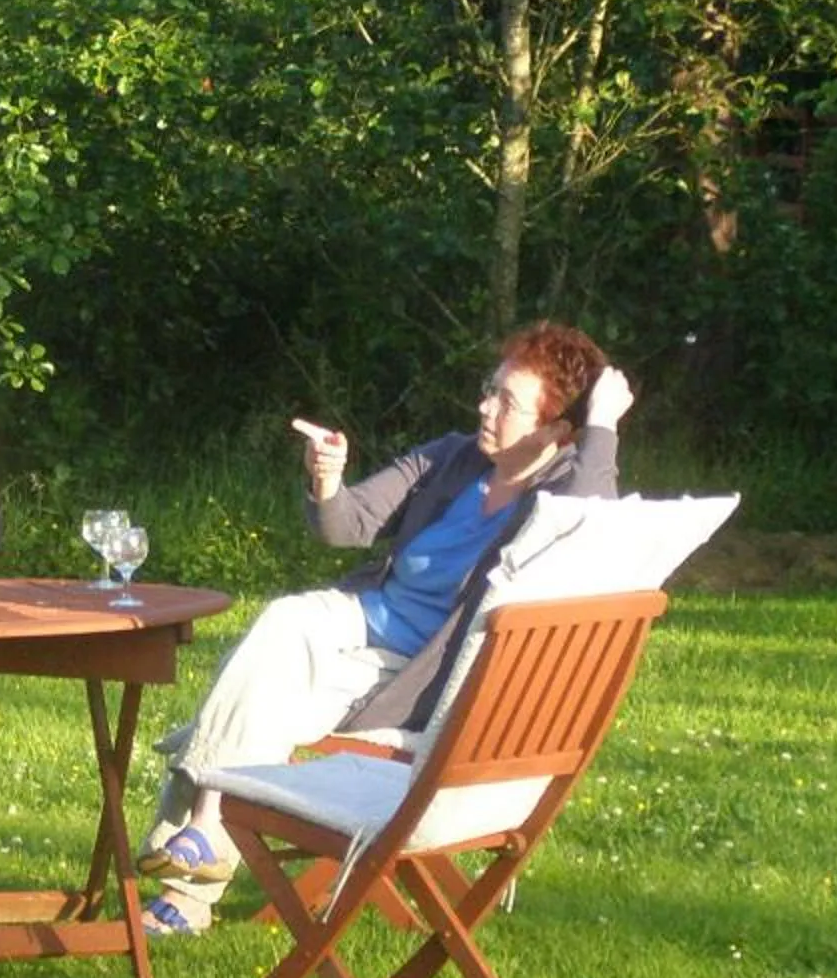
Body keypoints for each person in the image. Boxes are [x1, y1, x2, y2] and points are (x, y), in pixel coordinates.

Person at [140, 321, 633, 934]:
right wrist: (327, 478)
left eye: (506, 401)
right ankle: (204, 836)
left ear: (557, 429)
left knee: (255, 699)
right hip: (359, 626)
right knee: (284, 622)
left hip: (418, 674)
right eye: (489, 389)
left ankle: (188, 885)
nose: (484, 406)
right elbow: (345, 525)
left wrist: (604, 424)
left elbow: (593, 524)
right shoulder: (452, 457)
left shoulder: (560, 492)